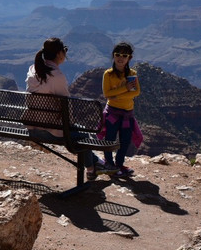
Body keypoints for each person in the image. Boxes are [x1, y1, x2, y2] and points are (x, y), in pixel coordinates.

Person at [24, 37, 105, 177]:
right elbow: (66, 106)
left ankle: (98, 161)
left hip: (33, 127)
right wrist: (71, 123)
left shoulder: (33, 70)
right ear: (59, 54)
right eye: (65, 50)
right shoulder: (56, 76)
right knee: (83, 135)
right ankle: (92, 169)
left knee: (77, 130)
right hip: (50, 131)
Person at [101, 41, 143, 178]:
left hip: (127, 114)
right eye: (118, 54)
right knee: (110, 140)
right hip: (112, 113)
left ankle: (119, 164)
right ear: (113, 56)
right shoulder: (108, 74)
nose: (120, 58)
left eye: (124, 55)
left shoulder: (132, 73)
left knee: (125, 141)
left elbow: (136, 92)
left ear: (129, 58)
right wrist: (125, 88)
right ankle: (109, 163)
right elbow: (107, 94)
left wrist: (116, 93)